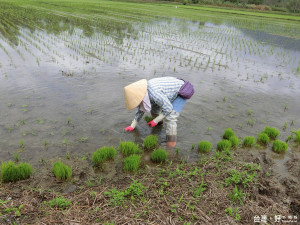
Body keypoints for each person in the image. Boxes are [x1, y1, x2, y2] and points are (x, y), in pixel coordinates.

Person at [123, 77, 194, 148]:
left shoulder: (154, 94)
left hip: (182, 91)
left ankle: (171, 145)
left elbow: (168, 109)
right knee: (154, 110)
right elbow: (140, 110)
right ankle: (159, 124)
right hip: (168, 93)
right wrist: (132, 126)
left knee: (171, 117)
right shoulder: (143, 94)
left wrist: (155, 120)